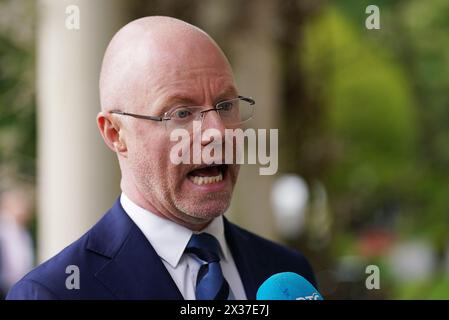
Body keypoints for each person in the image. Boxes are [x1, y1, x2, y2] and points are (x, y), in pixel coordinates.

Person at [7, 16, 316, 300]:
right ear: (115, 133)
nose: (217, 132)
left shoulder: (286, 272)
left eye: (225, 106)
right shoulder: (53, 293)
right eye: (181, 112)